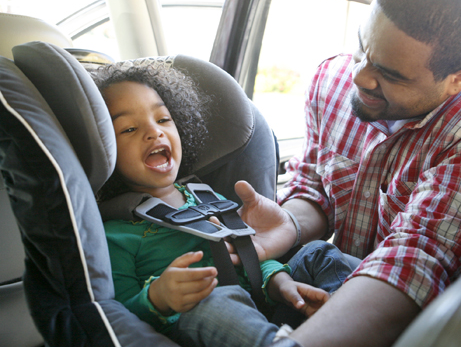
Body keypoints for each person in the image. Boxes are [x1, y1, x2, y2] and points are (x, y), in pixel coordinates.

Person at [231, 0, 461, 346]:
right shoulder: (331, 80)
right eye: (362, 47)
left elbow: (416, 255)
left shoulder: (456, 136)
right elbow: (315, 187)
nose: (359, 76)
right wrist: (290, 223)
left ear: (455, 80)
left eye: (390, 74)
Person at [91, 63, 353, 347]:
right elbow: (119, 317)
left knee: (318, 253)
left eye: (164, 119)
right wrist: (158, 298)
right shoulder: (116, 233)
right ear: (103, 148)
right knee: (214, 301)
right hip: (201, 325)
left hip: (263, 307)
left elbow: (249, 257)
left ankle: (353, 316)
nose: (154, 132)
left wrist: (280, 283)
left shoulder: (207, 198)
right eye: (129, 128)